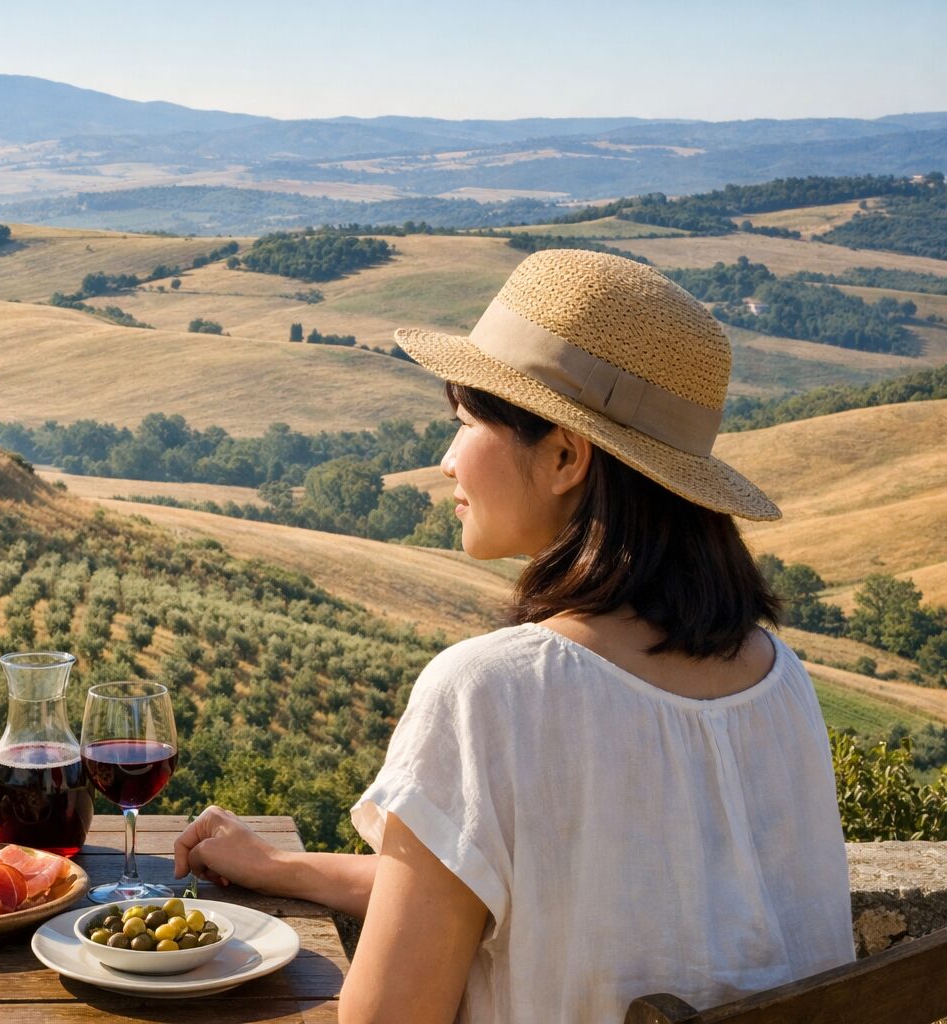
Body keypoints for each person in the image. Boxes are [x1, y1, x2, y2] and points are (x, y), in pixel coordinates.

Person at [173, 250, 854, 1024]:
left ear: (565, 455)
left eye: (465, 423)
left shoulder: (491, 694)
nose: (445, 461)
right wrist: (284, 868)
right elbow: (538, 897)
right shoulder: (776, 676)